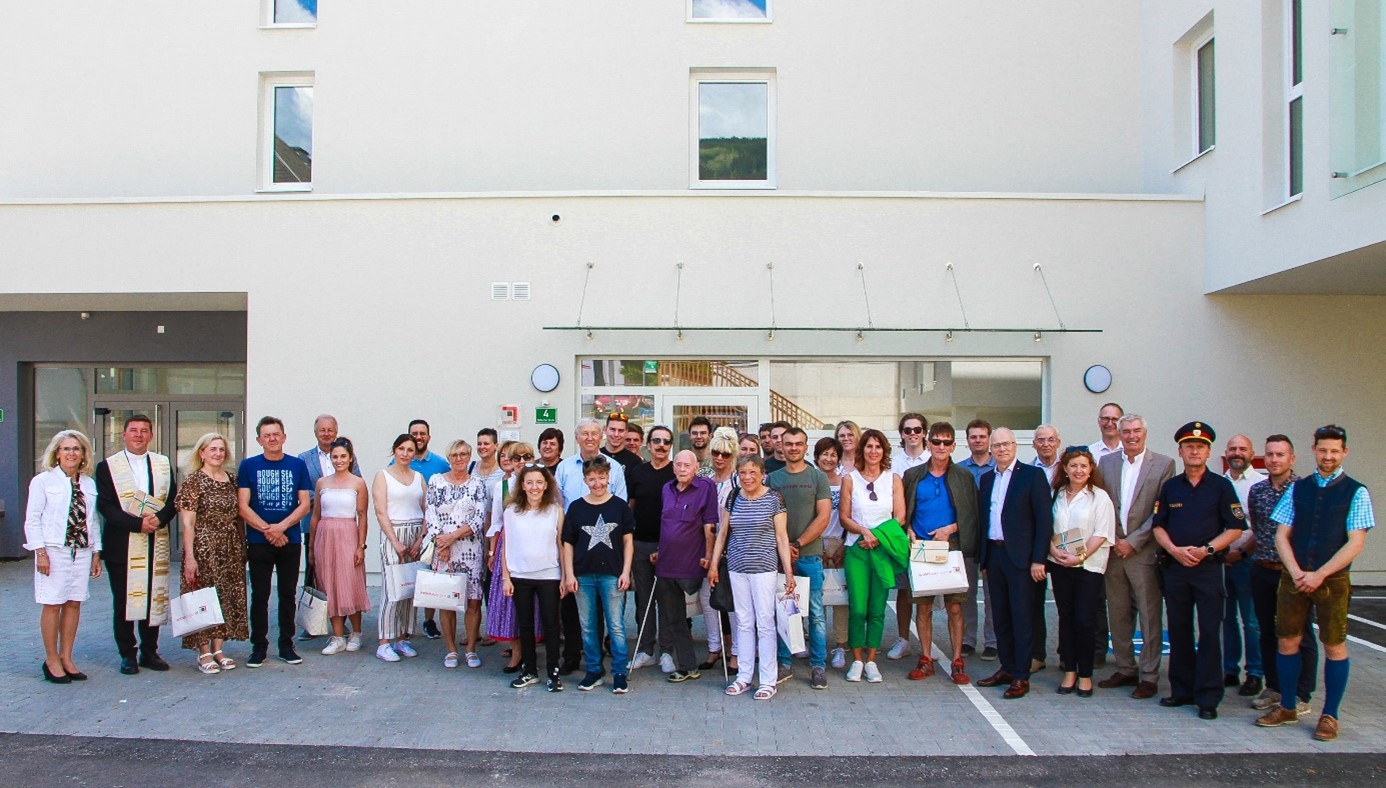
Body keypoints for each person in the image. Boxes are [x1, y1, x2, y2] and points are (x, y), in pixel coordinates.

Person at [1258, 425, 1375, 741]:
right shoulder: (1298, 488)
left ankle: (1330, 715)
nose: (1328, 456)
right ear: (1314, 450)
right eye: (1323, 450)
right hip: (1294, 576)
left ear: (1344, 452)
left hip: (1333, 580)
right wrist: (1296, 571)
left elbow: (1355, 542)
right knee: (1287, 640)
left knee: (1334, 644)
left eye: (1334, 451)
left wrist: (1319, 574)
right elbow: (1281, 535)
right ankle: (1287, 706)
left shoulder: (1356, 491)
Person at [1152, 421, 1244, 720]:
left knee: (1209, 633)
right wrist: (1174, 550)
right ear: (1180, 451)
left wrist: (1207, 550)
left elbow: (1235, 527)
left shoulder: (1221, 486)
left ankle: (1208, 697)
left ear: (1208, 452)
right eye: (1189, 447)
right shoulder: (1171, 487)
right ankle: (1181, 690)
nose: (1194, 451)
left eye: (1200, 447)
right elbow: (1158, 526)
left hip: (1207, 569)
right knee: (1179, 630)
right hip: (1176, 568)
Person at [1097, 414, 1176, 700]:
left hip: (1144, 551)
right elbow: (1102, 503)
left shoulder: (1164, 464)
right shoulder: (1106, 463)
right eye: (1126, 431)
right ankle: (1125, 667)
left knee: (1149, 614)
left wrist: (1133, 541)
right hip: (1114, 550)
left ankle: (1150, 675)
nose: (1131, 436)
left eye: (1136, 431)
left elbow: (1161, 510)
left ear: (1145, 432)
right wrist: (1114, 539)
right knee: (1118, 613)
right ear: (1119, 434)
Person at [95, 414, 178, 675]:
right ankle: (127, 654)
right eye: (133, 430)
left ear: (151, 436)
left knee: (153, 598)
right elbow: (105, 505)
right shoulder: (107, 466)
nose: (139, 435)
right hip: (122, 543)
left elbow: (172, 499)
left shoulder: (162, 463)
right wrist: (137, 524)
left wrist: (159, 519)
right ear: (124, 434)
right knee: (124, 601)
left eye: (144, 431)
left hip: (155, 539)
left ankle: (150, 651)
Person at [975, 427, 1053, 700]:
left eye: (1006, 444)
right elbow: (984, 518)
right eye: (997, 446)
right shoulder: (987, 479)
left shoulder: (1032, 476)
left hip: (1022, 559)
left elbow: (1044, 521)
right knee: (1001, 617)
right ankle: (1007, 668)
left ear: (1016, 446)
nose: (1002, 449)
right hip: (995, 556)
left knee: (1022, 618)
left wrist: (1038, 560)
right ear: (991, 449)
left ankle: (1021, 674)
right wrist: (984, 558)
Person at [709, 456, 796, 699]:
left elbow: (781, 537)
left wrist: (788, 572)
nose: (747, 477)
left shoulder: (774, 498)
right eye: (743, 473)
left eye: (752, 472)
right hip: (737, 567)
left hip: (764, 569)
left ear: (762, 474)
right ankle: (744, 676)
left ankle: (768, 680)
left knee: (765, 623)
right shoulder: (733, 496)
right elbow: (723, 532)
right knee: (743, 622)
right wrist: (714, 565)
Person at [900, 421, 978, 686]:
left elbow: (972, 513)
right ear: (928, 443)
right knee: (923, 608)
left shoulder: (964, 476)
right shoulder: (913, 475)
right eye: (936, 441)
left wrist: (952, 529)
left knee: (955, 607)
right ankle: (925, 658)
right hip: (921, 548)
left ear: (953, 446)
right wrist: (908, 529)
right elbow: (904, 510)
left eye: (946, 442)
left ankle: (957, 661)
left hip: (951, 548)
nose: (941, 447)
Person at [1245, 435, 1314, 714]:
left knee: (1301, 633)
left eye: (1280, 455)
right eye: (1270, 455)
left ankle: (1301, 692)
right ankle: (1274, 686)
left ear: (1292, 458)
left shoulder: (1304, 489)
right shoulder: (1257, 491)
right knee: (1267, 631)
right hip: (1263, 569)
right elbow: (1257, 528)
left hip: (1293, 573)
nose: (1274, 460)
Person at [237, 416, 313, 667]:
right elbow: (243, 506)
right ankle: (258, 647)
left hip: (290, 540)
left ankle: (286, 645)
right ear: (259, 440)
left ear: (284, 437)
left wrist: (281, 528)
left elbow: (304, 504)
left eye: (276, 434)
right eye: (267, 435)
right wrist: (268, 530)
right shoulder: (248, 466)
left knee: (287, 594)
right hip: (259, 541)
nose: (272, 439)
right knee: (260, 595)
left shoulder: (297, 465)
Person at [26, 430, 102, 683]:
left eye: (76, 449)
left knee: (74, 603)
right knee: (53, 603)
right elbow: (32, 520)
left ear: (83, 454)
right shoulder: (43, 481)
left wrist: (96, 552)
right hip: (53, 551)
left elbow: (92, 520)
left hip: (81, 551)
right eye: (66, 449)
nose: (71, 453)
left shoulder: (88, 484)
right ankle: (51, 660)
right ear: (57, 453)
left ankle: (66, 657)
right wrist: (40, 553)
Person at [560, 455, 636, 693]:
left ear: (608, 478)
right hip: (583, 575)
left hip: (612, 574)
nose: (597, 483)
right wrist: (569, 574)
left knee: (616, 625)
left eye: (601, 478)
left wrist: (626, 572)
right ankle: (593, 670)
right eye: (592, 479)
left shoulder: (619, 507)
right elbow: (568, 543)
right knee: (588, 626)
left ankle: (619, 672)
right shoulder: (576, 508)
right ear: (585, 480)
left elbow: (628, 542)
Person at [178, 433, 250, 672]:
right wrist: (190, 557)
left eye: (221, 449)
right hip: (204, 546)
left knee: (225, 595)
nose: (218, 453)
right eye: (212, 449)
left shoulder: (232, 479)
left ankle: (218, 648)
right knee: (202, 596)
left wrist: (242, 546)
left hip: (229, 546)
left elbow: (239, 516)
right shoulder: (194, 481)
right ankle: (203, 651)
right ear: (202, 453)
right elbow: (188, 523)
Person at [839, 429, 907, 683]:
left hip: (882, 549)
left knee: (877, 609)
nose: (873, 451)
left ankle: (871, 661)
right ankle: (857, 659)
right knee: (858, 608)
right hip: (857, 549)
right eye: (869, 446)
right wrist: (864, 532)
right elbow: (844, 517)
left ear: (884, 451)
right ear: (862, 450)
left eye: (878, 446)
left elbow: (900, 517)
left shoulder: (893, 479)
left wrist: (877, 536)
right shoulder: (850, 479)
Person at [766, 427, 832, 689]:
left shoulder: (818, 477)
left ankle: (818, 665)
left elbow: (823, 517)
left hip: (810, 556)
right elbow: (767, 517)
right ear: (781, 446)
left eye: (798, 444)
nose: (793, 448)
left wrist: (797, 544)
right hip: (780, 558)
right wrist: (783, 548)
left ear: (806, 447)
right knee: (785, 612)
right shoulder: (772, 479)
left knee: (815, 614)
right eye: (789, 443)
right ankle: (784, 663)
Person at [1047, 447, 1115, 697]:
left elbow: (1102, 533)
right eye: (1073, 465)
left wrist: (1080, 556)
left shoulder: (1099, 497)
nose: (1078, 470)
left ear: (1090, 469)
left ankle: (1085, 675)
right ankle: (1069, 671)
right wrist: (1053, 551)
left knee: (1084, 620)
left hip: (1088, 566)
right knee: (1065, 618)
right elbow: (1047, 526)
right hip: (1060, 564)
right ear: (1065, 468)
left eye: (1083, 466)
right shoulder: (1056, 494)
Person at [501, 464, 567, 692]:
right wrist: (506, 577)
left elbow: (561, 544)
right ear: (522, 485)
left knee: (550, 625)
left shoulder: (555, 510)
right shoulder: (511, 511)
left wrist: (564, 576)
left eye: (539, 482)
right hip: (520, 575)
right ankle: (529, 670)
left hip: (549, 575)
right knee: (525, 624)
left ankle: (553, 672)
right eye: (529, 482)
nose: (534, 487)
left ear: (546, 485)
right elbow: (506, 545)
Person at [654, 450, 720, 683]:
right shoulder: (667, 488)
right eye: (678, 465)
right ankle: (688, 666)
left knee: (711, 607)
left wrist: (709, 555)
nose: (682, 469)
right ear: (673, 467)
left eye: (687, 465)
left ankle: (721, 652)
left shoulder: (706, 487)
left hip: (693, 562)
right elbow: (666, 524)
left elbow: (710, 524)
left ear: (696, 468)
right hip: (667, 563)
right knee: (674, 617)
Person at [424, 439, 489, 668]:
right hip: (443, 550)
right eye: (454, 455)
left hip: (470, 549)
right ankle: (451, 649)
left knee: (473, 601)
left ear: (469, 457)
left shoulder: (477, 484)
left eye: (463, 454)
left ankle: (470, 649)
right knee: (447, 601)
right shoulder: (436, 481)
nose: (459, 459)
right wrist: (441, 544)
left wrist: (451, 538)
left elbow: (479, 518)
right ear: (448, 458)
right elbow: (430, 514)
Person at [296, 414, 361, 641]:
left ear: (336, 431)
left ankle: (343, 623)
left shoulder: (347, 455)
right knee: (315, 574)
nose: (326, 433)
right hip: (314, 525)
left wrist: (334, 494)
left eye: (330, 430)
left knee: (343, 576)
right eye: (322, 430)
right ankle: (312, 622)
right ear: (315, 432)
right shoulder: (304, 458)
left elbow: (356, 481)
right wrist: (325, 495)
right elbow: (302, 490)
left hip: (344, 529)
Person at [310, 437, 371, 657]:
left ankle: (356, 633)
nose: (339, 460)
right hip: (325, 536)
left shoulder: (358, 483)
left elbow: (362, 516)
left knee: (350, 583)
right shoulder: (322, 483)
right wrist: (311, 548)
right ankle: (337, 636)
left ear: (350, 458)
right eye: (335, 456)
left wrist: (360, 546)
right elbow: (315, 516)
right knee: (329, 584)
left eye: (343, 456)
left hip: (348, 535)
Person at [372, 434, 427, 662]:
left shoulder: (418, 477)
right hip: (393, 534)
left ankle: (402, 638)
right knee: (392, 589)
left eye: (410, 450)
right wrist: (395, 542)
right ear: (394, 450)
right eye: (401, 448)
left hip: (415, 534)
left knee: (410, 588)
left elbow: (426, 509)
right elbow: (380, 511)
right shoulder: (383, 475)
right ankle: (384, 642)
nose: (405, 453)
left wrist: (419, 540)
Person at [626, 425, 676, 671]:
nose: (661, 446)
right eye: (656, 441)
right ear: (648, 444)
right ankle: (646, 650)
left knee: (667, 600)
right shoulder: (638, 472)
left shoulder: (676, 472)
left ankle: (666, 651)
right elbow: (630, 506)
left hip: (668, 545)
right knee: (643, 600)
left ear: (671, 446)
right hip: (640, 544)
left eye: (666, 442)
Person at [1220, 433, 1266, 696]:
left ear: (1251, 453)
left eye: (1242, 449)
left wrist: (1241, 553)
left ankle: (1255, 672)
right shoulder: (1219, 482)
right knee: (1226, 619)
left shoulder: (1259, 484)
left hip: (1248, 561)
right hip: (1221, 562)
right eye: (1232, 449)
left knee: (1251, 620)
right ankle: (1229, 669)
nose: (1237, 453)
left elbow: (1261, 527)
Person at [485, 442, 537, 673]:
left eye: (527, 457)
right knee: (510, 601)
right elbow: (497, 521)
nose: (522, 461)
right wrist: (491, 552)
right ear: (511, 461)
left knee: (534, 601)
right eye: (517, 458)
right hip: (510, 545)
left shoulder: (542, 481)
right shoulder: (502, 486)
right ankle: (517, 651)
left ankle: (531, 650)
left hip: (536, 546)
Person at [885, 412, 929, 661]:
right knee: (903, 590)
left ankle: (926, 644)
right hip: (900, 534)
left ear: (924, 433)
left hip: (926, 534)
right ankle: (904, 639)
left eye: (917, 430)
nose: (913, 434)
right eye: (907, 430)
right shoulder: (893, 464)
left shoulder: (933, 459)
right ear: (901, 434)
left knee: (926, 590)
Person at [696, 426, 740, 672]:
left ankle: (737, 653)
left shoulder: (738, 481)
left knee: (732, 601)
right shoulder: (705, 481)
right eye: (715, 453)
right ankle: (714, 648)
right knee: (707, 598)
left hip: (732, 547)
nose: (719, 458)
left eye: (725, 453)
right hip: (707, 546)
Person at [406, 419, 451, 640]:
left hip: (433, 528)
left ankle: (429, 620)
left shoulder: (441, 464)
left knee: (430, 574)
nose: (418, 437)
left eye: (422, 433)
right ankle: (405, 623)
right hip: (407, 525)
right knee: (406, 576)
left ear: (428, 437)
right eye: (414, 433)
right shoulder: (400, 461)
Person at [958, 418, 998, 661]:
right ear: (967, 440)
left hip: (993, 538)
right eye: (973, 437)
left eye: (982, 436)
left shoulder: (1000, 466)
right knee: (967, 592)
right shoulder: (960, 470)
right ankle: (967, 640)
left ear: (989, 438)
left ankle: (992, 641)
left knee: (993, 594)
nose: (978, 440)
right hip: (968, 538)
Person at [1027, 424, 1062, 673]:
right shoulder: (1028, 472)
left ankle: (1068, 654)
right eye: (1041, 440)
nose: (1046, 444)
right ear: (1034, 444)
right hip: (1037, 545)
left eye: (1050, 439)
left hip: (1065, 545)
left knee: (1067, 603)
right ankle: (1036, 654)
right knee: (1034, 603)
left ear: (1058, 442)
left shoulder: (1069, 469)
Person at [815, 437, 850, 669]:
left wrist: (844, 546)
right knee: (815, 598)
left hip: (840, 544)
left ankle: (840, 646)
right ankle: (816, 644)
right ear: (816, 457)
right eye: (824, 454)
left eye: (833, 454)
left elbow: (851, 514)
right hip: (814, 544)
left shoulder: (845, 482)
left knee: (840, 598)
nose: (828, 459)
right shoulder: (811, 481)